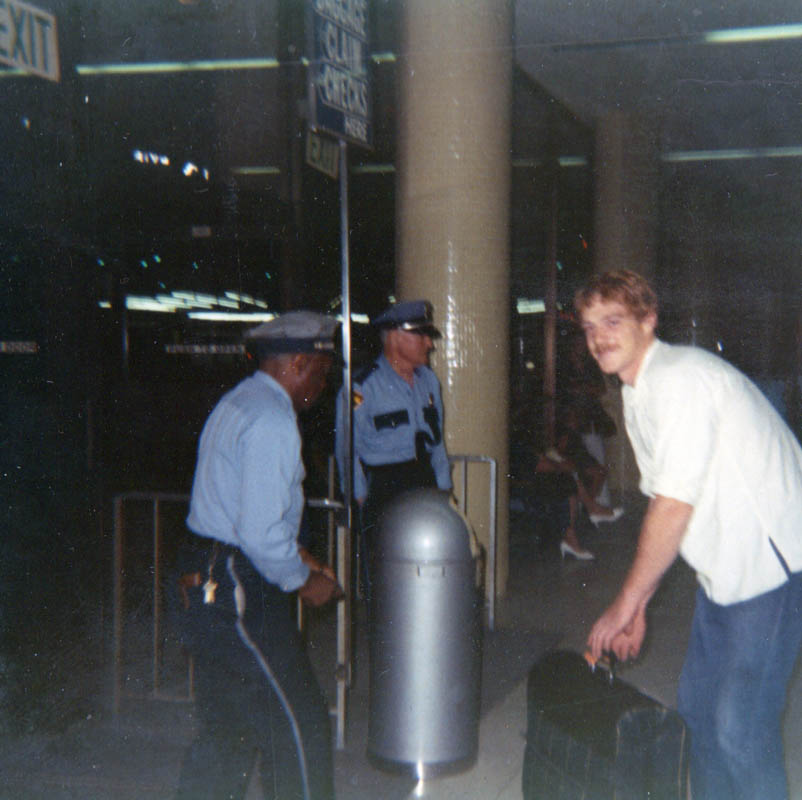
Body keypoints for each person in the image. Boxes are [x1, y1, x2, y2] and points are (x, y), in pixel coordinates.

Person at [577, 270, 802, 800]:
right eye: (589, 327)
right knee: (699, 714)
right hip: (727, 571)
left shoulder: (678, 379)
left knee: (740, 729)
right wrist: (642, 603)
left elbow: (673, 507)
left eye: (613, 321)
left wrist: (623, 605)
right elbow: (669, 506)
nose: (599, 338)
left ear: (648, 320)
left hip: (776, 565)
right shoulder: (640, 389)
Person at [174, 311, 343, 800]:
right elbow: (261, 536)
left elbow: (237, 506)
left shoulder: (237, 403)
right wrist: (305, 581)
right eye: (321, 371)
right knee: (299, 728)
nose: (323, 383)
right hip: (237, 585)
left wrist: (302, 556)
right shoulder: (274, 420)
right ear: (296, 363)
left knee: (227, 732)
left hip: (204, 572)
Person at [335, 300, 452, 597]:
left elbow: (436, 443)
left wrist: (444, 490)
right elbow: (347, 447)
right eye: (421, 335)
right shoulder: (362, 387)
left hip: (423, 483)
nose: (429, 343)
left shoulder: (428, 382)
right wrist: (359, 495)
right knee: (385, 576)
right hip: (383, 488)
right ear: (396, 336)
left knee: (427, 569)